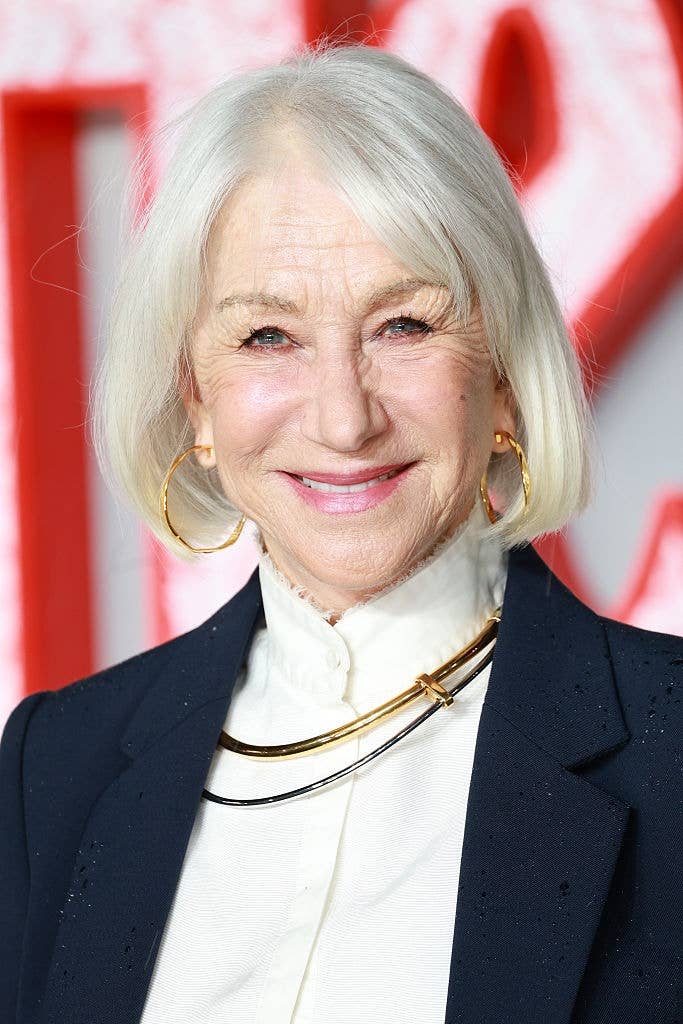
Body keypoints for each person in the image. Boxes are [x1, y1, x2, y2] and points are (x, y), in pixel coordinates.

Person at [1, 40, 681, 1024]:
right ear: (195, 398)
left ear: (499, 375)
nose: (343, 419)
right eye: (267, 336)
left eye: (402, 325)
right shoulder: (54, 766)